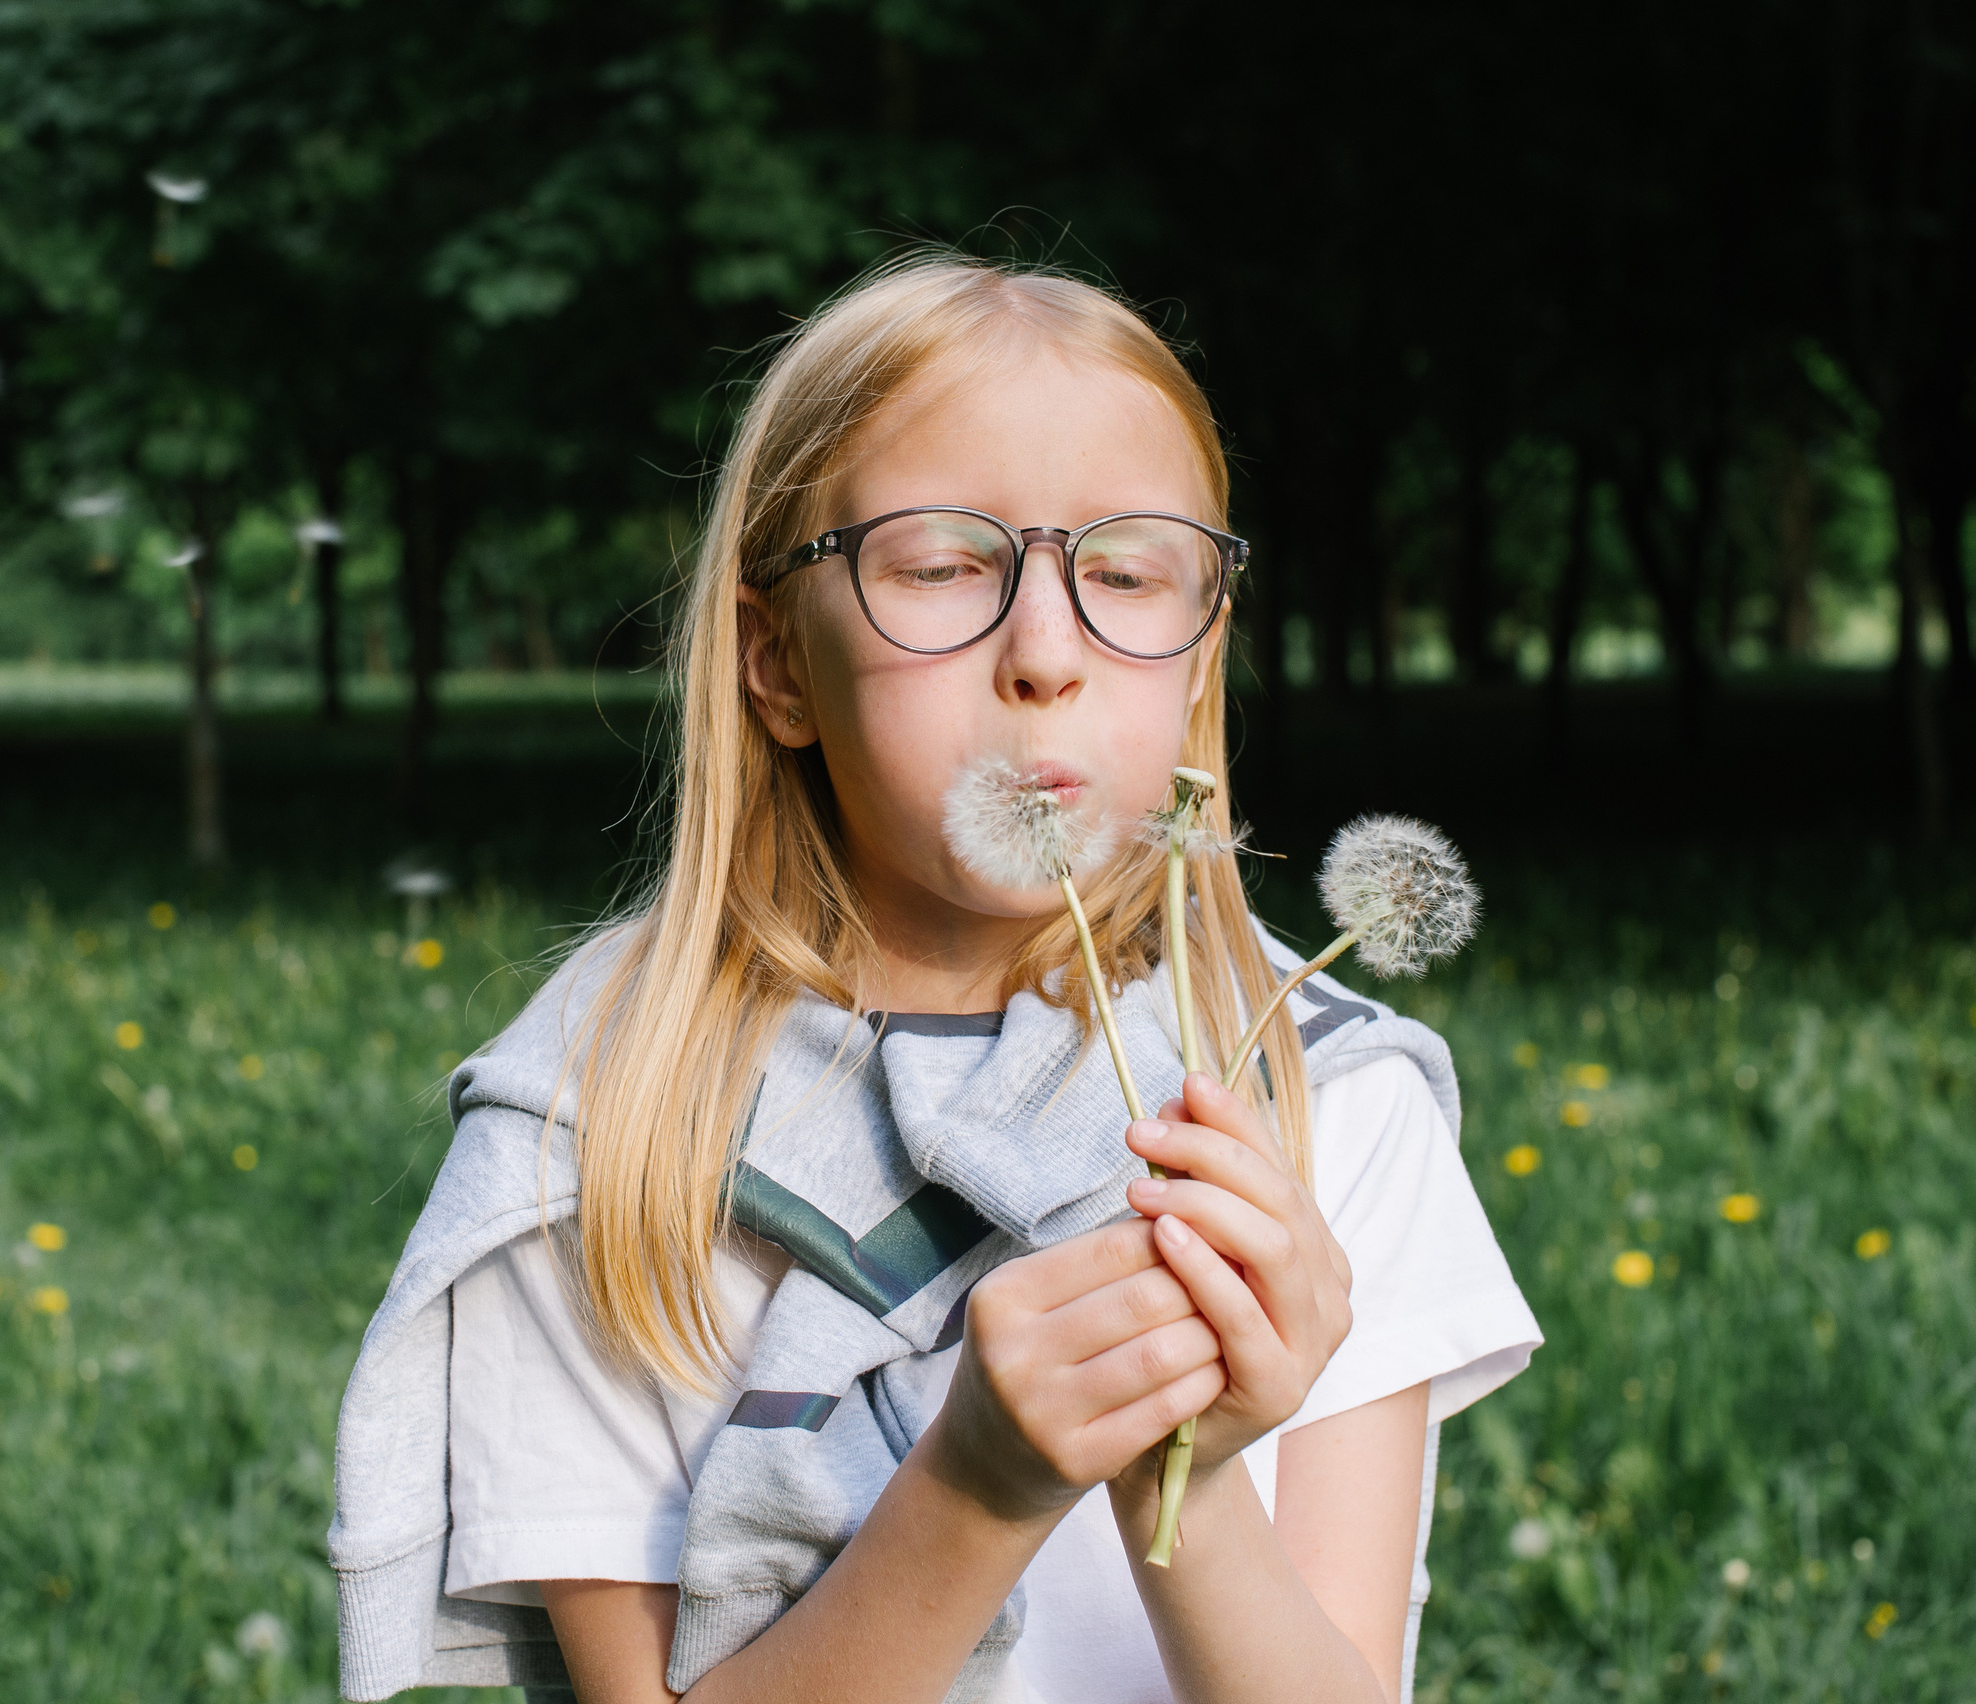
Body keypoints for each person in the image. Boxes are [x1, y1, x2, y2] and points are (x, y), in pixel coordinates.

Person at [328, 255, 1541, 1704]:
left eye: (1126, 572)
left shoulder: (1314, 1106)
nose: (1045, 653)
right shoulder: (604, 1141)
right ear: (774, 660)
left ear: (1200, 661)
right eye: (943, 565)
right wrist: (976, 1487)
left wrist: (1190, 1487)